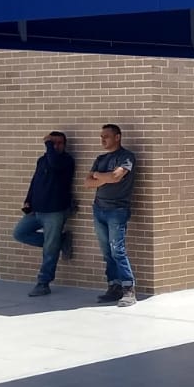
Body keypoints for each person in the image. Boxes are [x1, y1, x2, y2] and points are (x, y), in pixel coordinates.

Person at [12, 130, 76, 296]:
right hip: (37, 210)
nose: (56, 146)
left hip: (55, 210)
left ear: (65, 145)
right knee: (20, 233)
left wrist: (48, 144)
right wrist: (28, 200)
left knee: (49, 249)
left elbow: (54, 163)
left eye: (60, 143)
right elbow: (35, 181)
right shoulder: (42, 160)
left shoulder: (66, 161)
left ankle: (43, 283)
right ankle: (60, 241)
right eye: (53, 143)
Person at [86, 123, 138, 306]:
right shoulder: (100, 158)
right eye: (101, 137)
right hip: (99, 209)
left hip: (117, 210)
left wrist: (99, 176)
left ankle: (128, 290)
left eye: (106, 136)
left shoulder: (126, 157)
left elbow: (116, 177)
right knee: (107, 252)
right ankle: (113, 287)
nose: (103, 140)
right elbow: (88, 182)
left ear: (117, 137)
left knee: (118, 251)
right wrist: (104, 177)